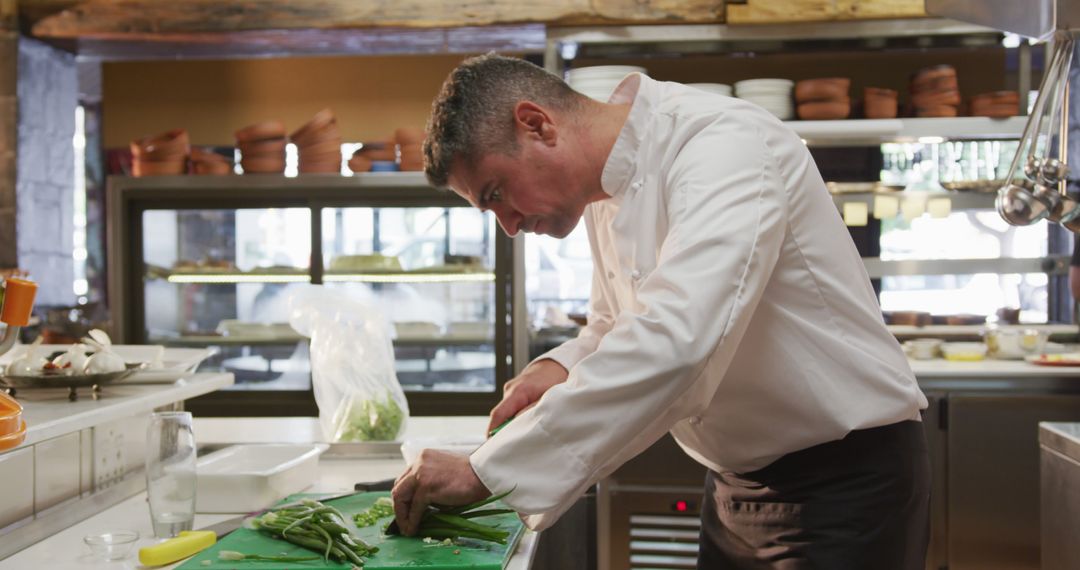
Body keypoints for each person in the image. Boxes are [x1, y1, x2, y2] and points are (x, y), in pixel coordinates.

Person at [391, 53, 930, 569]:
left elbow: (680, 335)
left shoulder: (721, 143)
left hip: (845, 482)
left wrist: (486, 472)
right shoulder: (603, 187)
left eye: (496, 193)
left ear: (537, 125)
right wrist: (558, 367)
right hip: (733, 486)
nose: (507, 226)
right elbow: (616, 326)